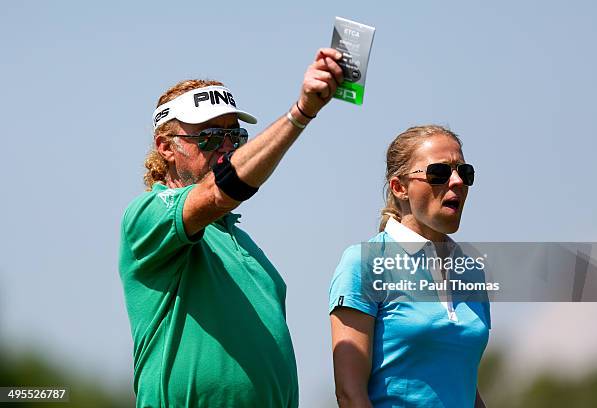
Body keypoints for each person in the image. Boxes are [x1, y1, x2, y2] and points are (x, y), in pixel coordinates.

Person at [119, 48, 343, 407]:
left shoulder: (246, 245)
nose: (225, 148)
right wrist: (300, 114)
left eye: (234, 138)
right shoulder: (147, 215)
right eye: (208, 137)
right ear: (165, 147)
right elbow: (219, 191)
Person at [329, 126, 490, 408]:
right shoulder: (364, 262)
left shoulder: (471, 271)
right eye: (439, 173)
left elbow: (463, 386)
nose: (457, 182)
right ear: (399, 187)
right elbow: (349, 393)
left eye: (464, 173)